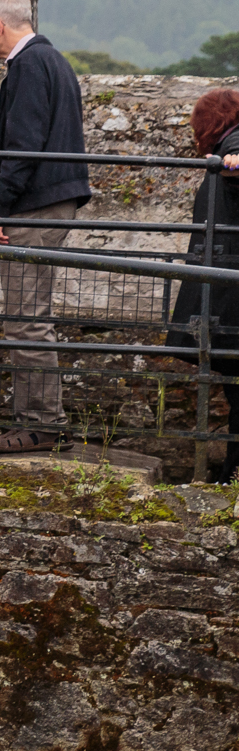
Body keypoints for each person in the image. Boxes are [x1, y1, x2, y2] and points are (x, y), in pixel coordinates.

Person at [0, 0, 90, 453]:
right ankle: (36, 420)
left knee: (25, 319)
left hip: (33, 205)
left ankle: (43, 424)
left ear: (0, 25)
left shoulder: (26, 66)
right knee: (31, 315)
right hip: (53, 200)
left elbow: (23, 145)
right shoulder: (55, 61)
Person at [165, 88, 239, 480]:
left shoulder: (234, 141)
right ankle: (230, 472)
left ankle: (232, 474)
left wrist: (233, 162)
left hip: (230, 299)